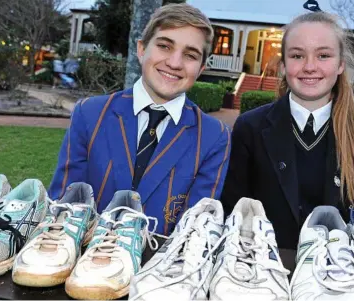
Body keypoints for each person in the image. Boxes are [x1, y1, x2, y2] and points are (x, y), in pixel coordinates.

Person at [48, 3, 231, 235]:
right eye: (164, 46)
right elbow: (63, 203)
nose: (174, 63)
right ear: (142, 49)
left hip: (158, 265)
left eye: (190, 55)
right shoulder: (90, 114)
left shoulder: (214, 137)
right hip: (83, 259)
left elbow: (195, 227)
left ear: (202, 67)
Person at [220, 9, 354, 249]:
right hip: (264, 272)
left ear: (341, 64)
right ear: (283, 65)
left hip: (338, 277)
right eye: (297, 56)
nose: (310, 66)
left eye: (323, 55)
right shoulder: (250, 127)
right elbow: (233, 211)